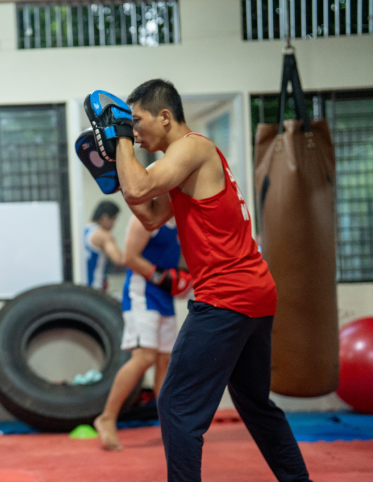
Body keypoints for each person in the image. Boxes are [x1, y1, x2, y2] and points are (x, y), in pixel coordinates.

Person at [87, 79, 311, 481]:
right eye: (129, 125)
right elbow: (151, 214)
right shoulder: (188, 161)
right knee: (256, 404)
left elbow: (140, 186)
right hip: (254, 293)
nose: (134, 131)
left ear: (165, 116)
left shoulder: (190, 146)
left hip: (227, 296)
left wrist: (119, 140)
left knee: (175, 404)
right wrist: (118, 178)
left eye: (137, 122)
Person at [94, 216, 189, 451]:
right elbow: (129, 258)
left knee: (165, 361)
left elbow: (181, 259)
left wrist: (183, 277)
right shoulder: (146, 218)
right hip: (141, 293)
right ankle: (106, 418)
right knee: (145, 357)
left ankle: (169, 425)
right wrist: (162, 278)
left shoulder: (180, 218)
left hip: (163, 298)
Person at [84, 201, 124, 292]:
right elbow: (119, 259)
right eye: (114, 219)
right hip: (95, 288)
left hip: (83, 289)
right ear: (105, 218)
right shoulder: (104, 235)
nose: (114, 224)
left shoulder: (85, 230)